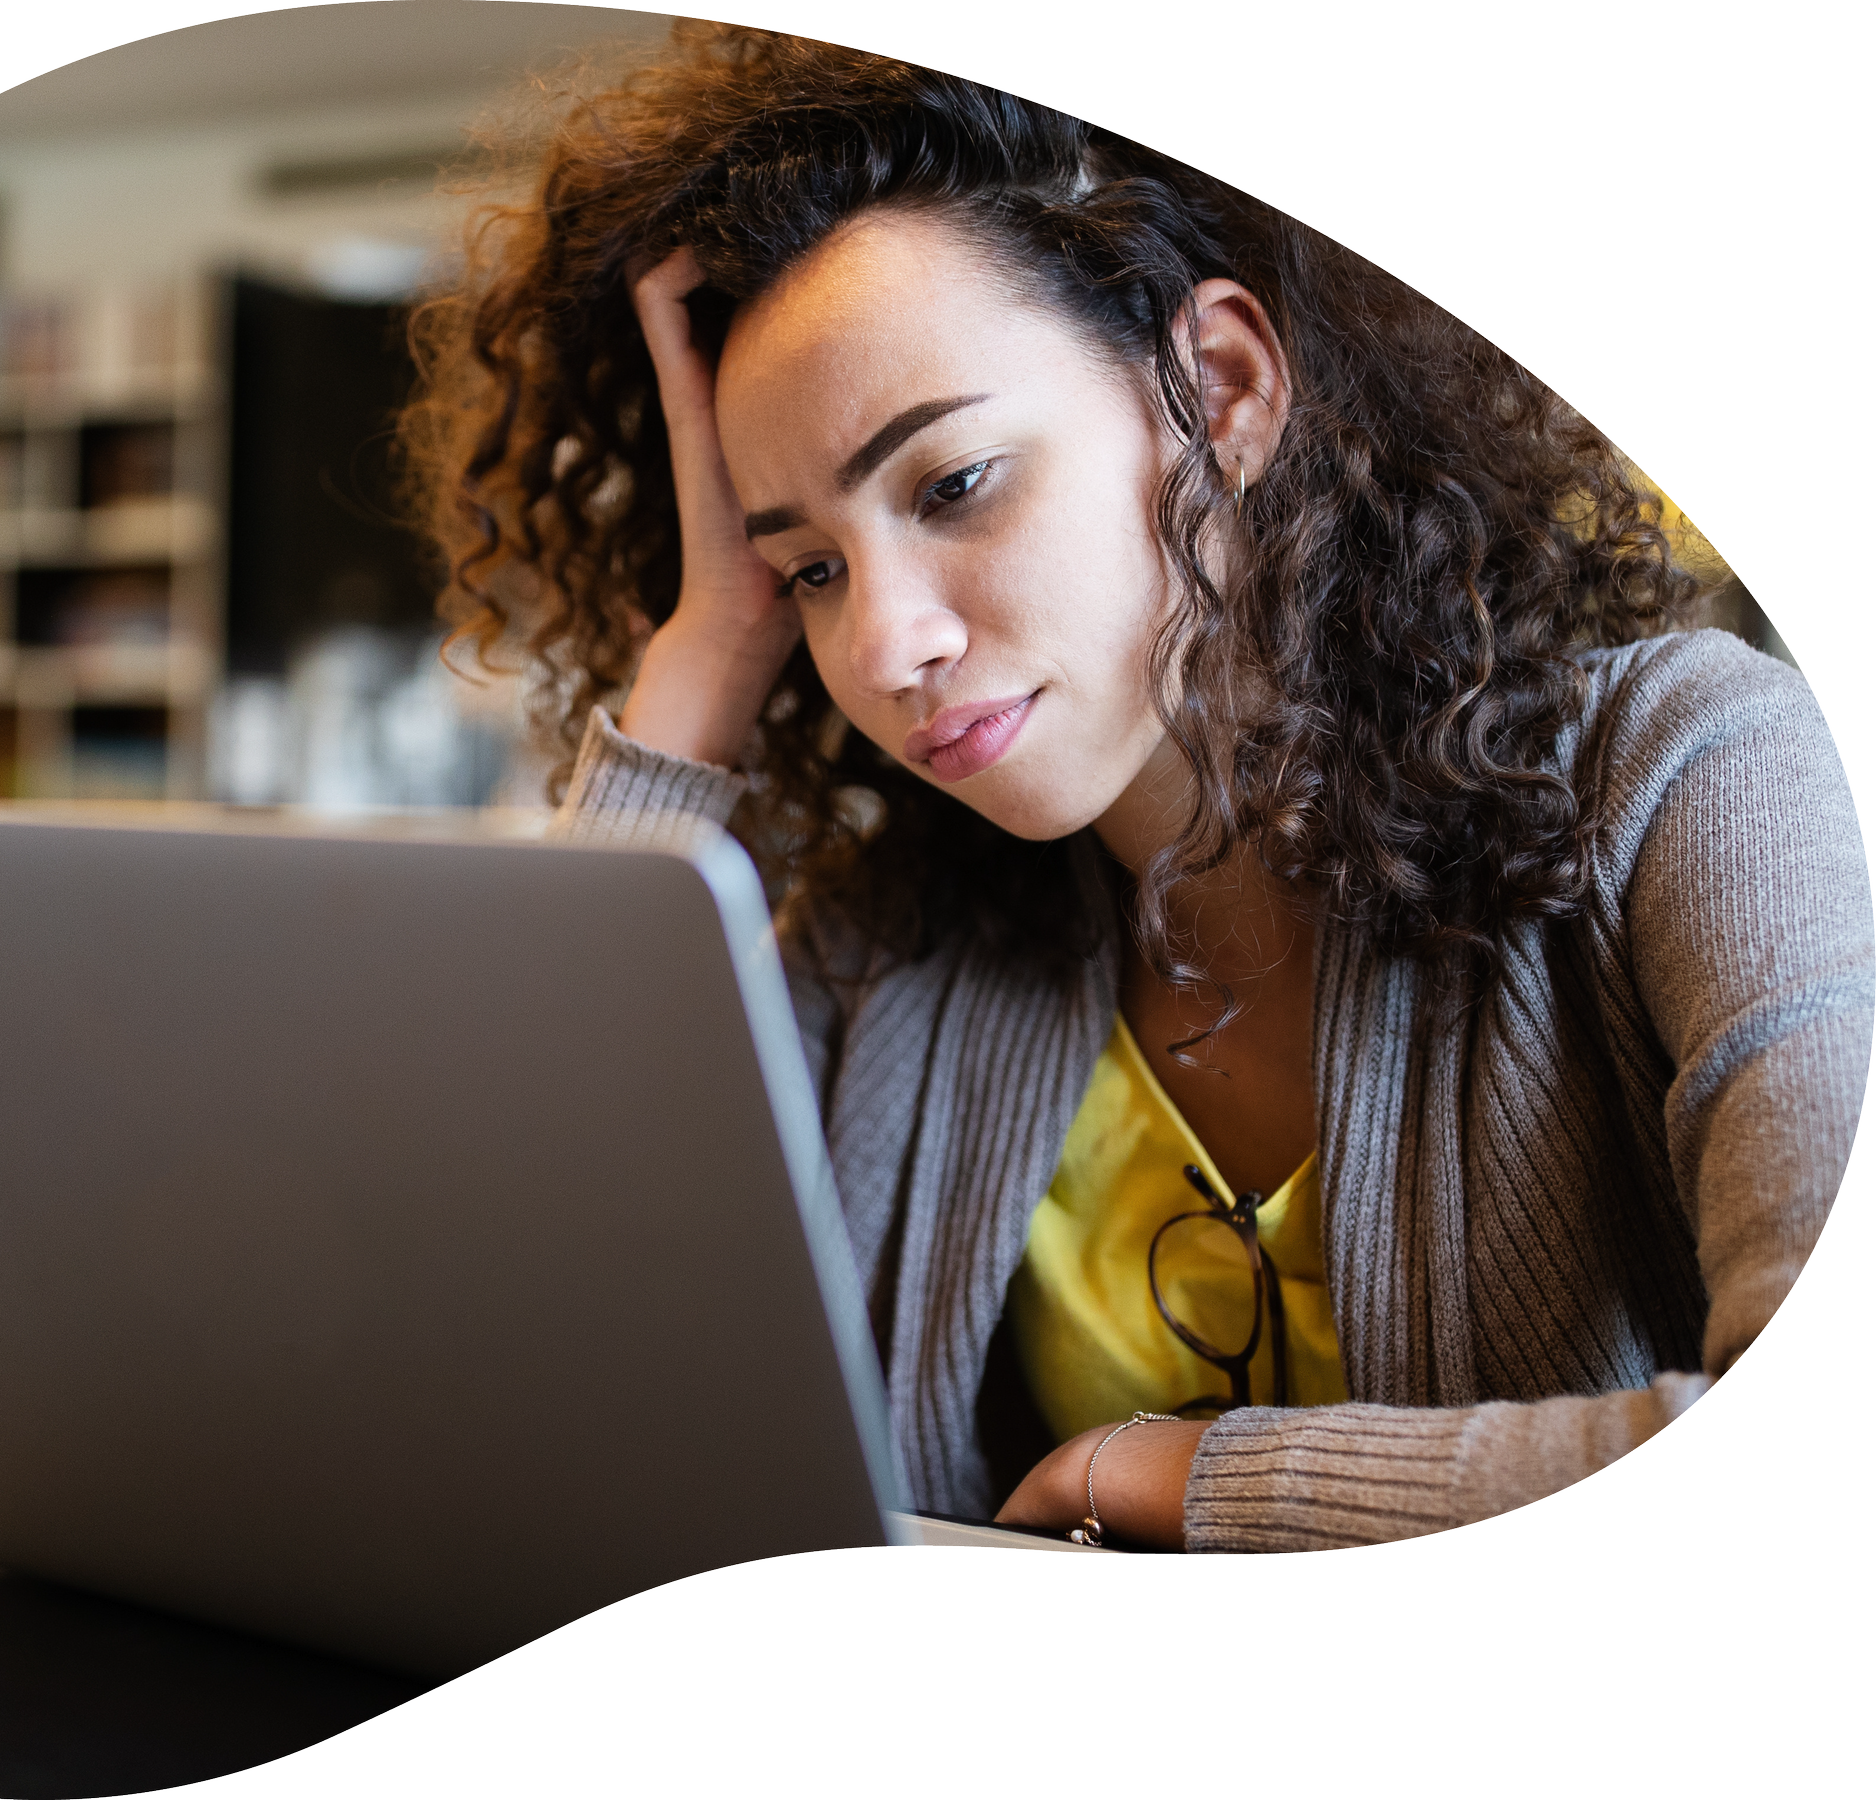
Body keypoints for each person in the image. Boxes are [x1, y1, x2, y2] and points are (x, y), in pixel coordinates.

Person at [400, 23, 1875, 1551]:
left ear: (1220, 388)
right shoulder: (896, 946)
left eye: (955, 483)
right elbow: (506, 1388)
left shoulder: (1689, 773)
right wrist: (709, 647)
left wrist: (1187, 1478)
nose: (886, 641)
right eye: (814, 568)